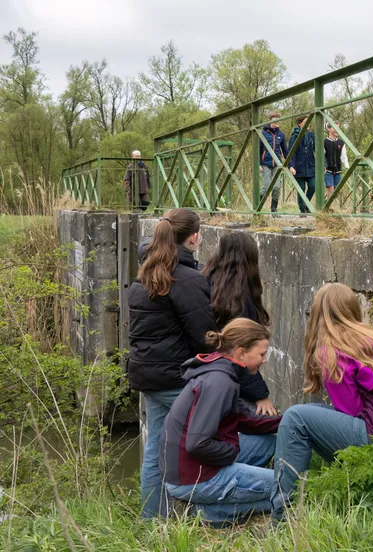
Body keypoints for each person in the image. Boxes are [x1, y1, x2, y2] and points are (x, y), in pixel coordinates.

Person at [270, 283, 373, 520]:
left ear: (317, 315)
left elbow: (350, 412)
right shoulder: (372, 340)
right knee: (310, 412)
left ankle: (283, 518)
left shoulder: (332, 352)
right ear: (352, 308)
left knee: (295, 418)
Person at [128, 208, 215, 518]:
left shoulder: (145, 274)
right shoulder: (187, 279)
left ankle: (153, 518)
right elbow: (205, 337)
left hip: (149, 376)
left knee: (156, 449)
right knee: (201, 442)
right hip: (178, 378)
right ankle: (203, 513)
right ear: (192, 236)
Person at [160, 319, 282, 526]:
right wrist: (232, 452)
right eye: (262, 354)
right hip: (193, 478)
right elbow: (197, 443)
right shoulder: (220, 382)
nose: (265, 360)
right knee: (289, 487)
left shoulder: (221, 371)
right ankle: (211, 512)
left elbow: (242, 419)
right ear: (241, 352)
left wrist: (289, 421)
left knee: (270, 442)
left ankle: (228, 496)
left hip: (190, 468)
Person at [202, 231, 277, 416]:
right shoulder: (240, 299)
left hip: (208, 375)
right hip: (233, 379)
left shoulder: (203, 281)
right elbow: (241, 353)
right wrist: (260, 394)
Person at [259, 111, 288, 213]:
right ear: (270, 120)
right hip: (265, 163)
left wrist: (289, 164)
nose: (277, 121)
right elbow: (258, 149)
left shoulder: (281, 134)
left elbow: (285, 150)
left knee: (276, 187)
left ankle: (274, 209)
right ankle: (257, 206)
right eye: (275, 119)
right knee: (266, 187)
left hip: (277, 164)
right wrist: (258, 164)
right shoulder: (262, 133)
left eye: (278, 119)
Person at [287, 115, 315, 214]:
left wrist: (323, 164)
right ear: (299, 123)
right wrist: (290, 166)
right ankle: (303, 210)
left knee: (313, 186)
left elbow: (318, 150)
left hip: (311, 166)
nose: (308, 124)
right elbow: (290, 152)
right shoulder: (294, 136)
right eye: (306, 122)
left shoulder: (311, 135)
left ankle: (306, 204)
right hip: (298, 167)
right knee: (301, 189)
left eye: (309, 122)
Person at [323, 122, 349, 200]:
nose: (337, 130)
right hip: (328, 170)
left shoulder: (341, 143)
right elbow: (322, 155)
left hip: (338, 170)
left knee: (336, 191)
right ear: (329, 129)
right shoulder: (325, 142)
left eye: (338, 128)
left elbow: (343, 156)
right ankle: (328, 209)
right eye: (335, 127)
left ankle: (326, 205)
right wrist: (323, 166)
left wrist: (347, 167)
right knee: (331, 189)